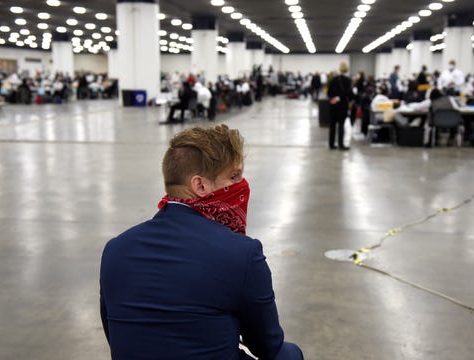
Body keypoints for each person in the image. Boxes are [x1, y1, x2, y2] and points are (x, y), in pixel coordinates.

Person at [100, 125, 303, 360]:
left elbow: (116, 335)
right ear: (200, 186)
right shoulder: (242, 254)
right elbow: (268, 346)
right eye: (234, 176)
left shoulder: (115, 250)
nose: (242, 184)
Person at [327, 62, 353, 150]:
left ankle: (331, 144)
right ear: (347, 69)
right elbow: (349, 94)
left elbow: (329, 93)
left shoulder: (333, 79)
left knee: (332, 125)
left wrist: (334, 98)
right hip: (342, 106)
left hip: (333, 105)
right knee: (341, 125)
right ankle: (341, 145)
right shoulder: (348, 80)